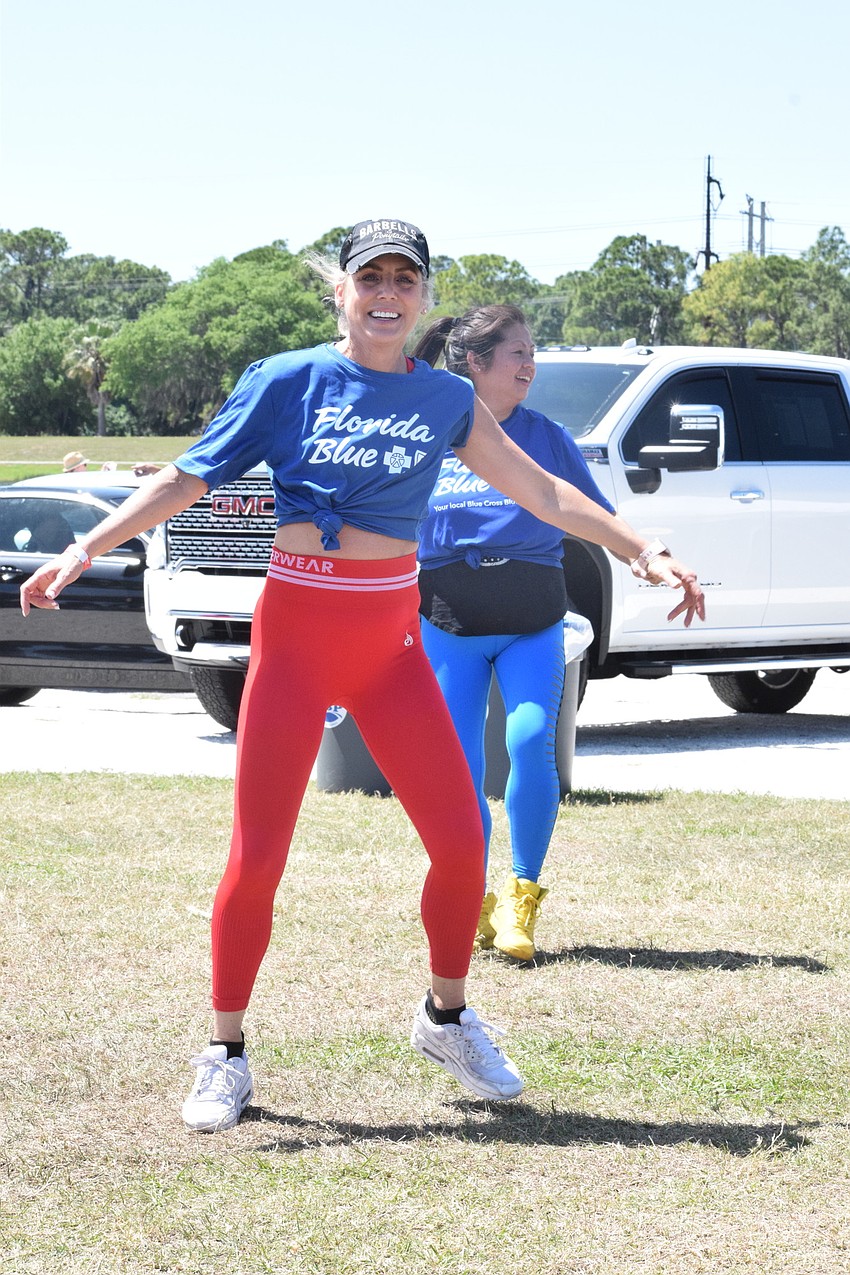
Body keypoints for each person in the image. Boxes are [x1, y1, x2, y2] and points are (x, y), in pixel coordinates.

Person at [20, 218, 704, 1133]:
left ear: (423, 296)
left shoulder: (447, 400)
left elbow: (541, 489)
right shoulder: (287, 379)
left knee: (464, 842)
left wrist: (638, 544)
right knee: (258, 854)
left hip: (392, 646)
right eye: (370, 276)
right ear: (339, 289)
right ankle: (225, 1050)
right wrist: (86, 544)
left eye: (405, 280)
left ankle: (446, 1014)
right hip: (298, 637)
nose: (388, 293)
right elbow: (189, 477)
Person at [414, 305, 628, 960]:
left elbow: (593, 513)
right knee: (459, 768)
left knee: (531, 738)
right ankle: (469, 894)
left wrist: (647, 554)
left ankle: (521, 899)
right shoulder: (432, 434)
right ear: (475, 364)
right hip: (450, 616)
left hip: (533, 613)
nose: (531, 364)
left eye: (533, 352)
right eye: (518, 353)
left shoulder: (548, 437)